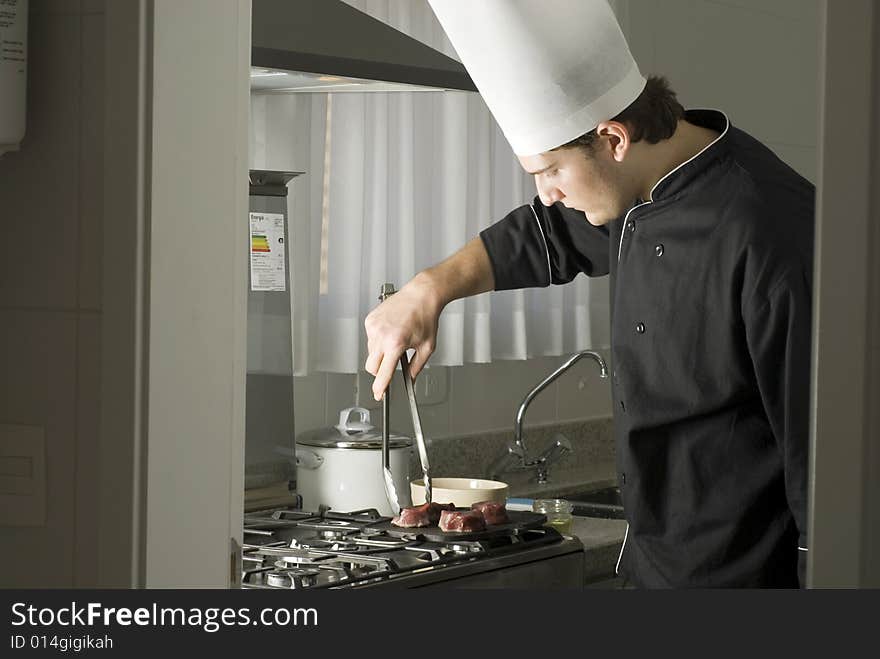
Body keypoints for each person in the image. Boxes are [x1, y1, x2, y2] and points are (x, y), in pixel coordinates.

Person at [365, 0, 812, 588]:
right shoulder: (629, 190)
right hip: (649, 576)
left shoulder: (771, 230)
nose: (546, 194)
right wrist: (428, 290)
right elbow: (543, 233)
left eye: (549, 171)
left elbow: (823, 464)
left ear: (614, 138)